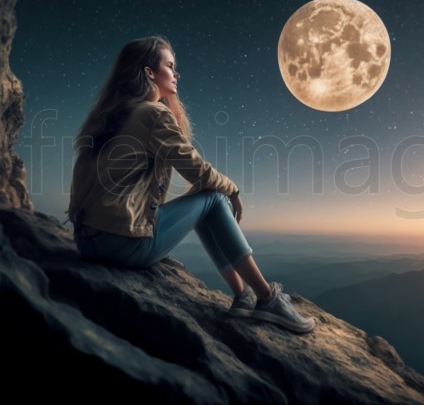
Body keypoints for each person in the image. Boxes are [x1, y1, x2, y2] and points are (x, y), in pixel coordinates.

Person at [68, 36, 315, 334]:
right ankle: (266, 299)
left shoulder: (109, 116)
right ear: (149, 73)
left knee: (206, 196)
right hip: (121, 245)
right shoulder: (153, 113)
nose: (176, 74)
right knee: (214, 196)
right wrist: (232, 189)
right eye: (170, 66)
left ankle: (242, 297)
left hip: (88, 241)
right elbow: (196, 170)